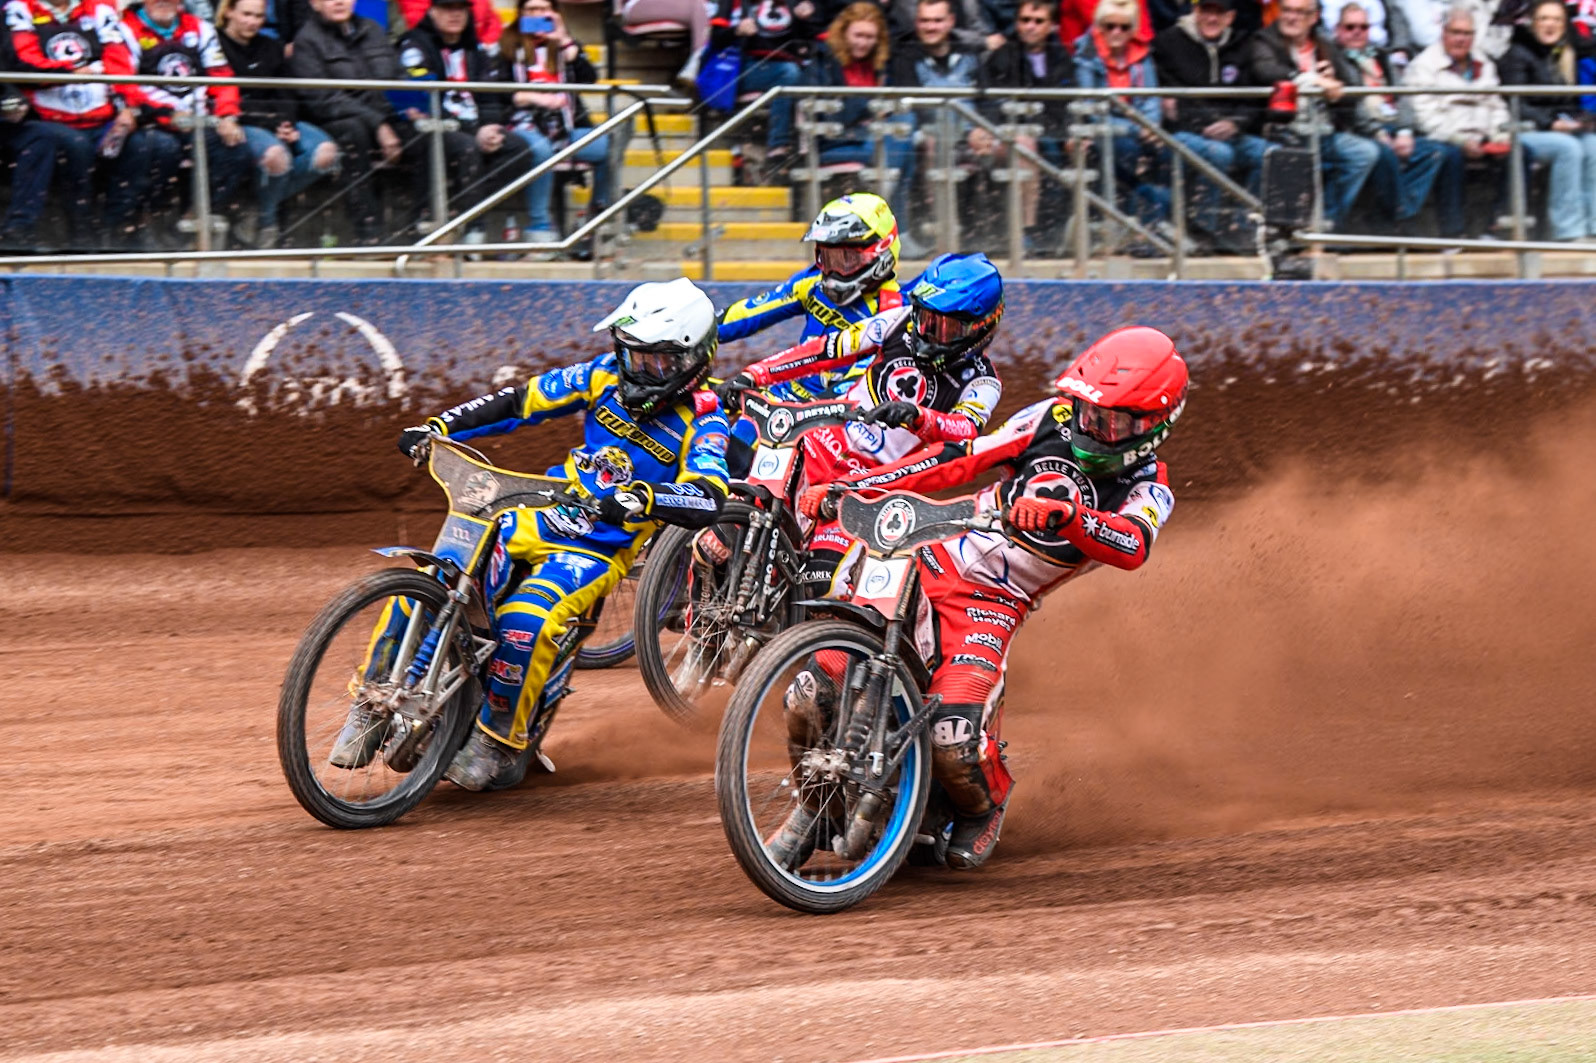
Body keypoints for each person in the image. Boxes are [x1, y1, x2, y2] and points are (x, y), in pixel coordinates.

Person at [787, 324, 1187, 870]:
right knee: (814, 685)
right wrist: (860, 487)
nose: (1091, 426)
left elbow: (1133, 544)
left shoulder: (1151, 486)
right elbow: (963, 456)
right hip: (933, 548)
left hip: (996, 599)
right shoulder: (1049, 418)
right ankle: (817, 806)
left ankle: (984, 806)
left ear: (1154, 426)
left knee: (952, 737)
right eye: (1088, 410)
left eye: (1111, 420)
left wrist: (1071, 517)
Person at [345, 278, 733, 791]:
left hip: (598, 547)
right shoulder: (601, 375)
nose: (639, 368)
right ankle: (370, 700)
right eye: (632, 354)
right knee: (433, 582)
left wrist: (644, 498)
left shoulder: (706, 421)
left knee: (525, 622)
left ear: (691, 360)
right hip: (536, 510)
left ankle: (496, 742)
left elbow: (708, 493)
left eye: (655, 361)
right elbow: (519, 401)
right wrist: (440, 427)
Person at [714, 252, 1005, 600]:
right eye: (925, 318)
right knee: (718, 539)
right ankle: (689, 619)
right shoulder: (897, 322)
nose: (927, 332)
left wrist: (919, 418)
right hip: (814, 444)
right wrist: (755, 375)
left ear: (980, 328)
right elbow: (825, 350)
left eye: (944, 327)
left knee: (823, 588)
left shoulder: (984, 382)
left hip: (866, 484)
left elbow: (965, 429)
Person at [2, 0, 153, 248]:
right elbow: (22, 60)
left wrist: (128, 108)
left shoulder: (99, 9)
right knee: (75, 146)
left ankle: (117, 232)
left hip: (101, 116)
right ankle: (79, 233)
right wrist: (69, 73)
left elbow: (120, 65)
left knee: (139, 145)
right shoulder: (20, 8)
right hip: (46, 117)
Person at [396, 0, 534, 237]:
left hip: (472, 127)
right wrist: (473, 130)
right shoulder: (413, 46)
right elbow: (422, 98)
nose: (455, 15)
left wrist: (489, 126)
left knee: (519, 149)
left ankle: (459, 210)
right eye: (448, 9)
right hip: (428, 127)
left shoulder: (475, 48)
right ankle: (473, 228)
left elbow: (490, 95)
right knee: (467, 147)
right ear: (432, 12)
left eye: (461, 9)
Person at [121, 0, 255, 242]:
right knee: (162, 149)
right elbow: (125, 85)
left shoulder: (200, 28)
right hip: (149, 120)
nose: (164, 1)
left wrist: (227, 116)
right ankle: (145, 223)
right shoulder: (126, 29)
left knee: (236, 150)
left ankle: (191, 222)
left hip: (197, 118)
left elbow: (222, 78)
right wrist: (167, 115)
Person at [1243, 0, 1380, 230]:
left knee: (1364, 153)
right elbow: (1267, 71)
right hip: (1282, 131)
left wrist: (1334, 80)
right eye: (1287, 10)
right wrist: (1313, 80)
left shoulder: (1324, 44)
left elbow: (1351, 89)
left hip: (1324, 131)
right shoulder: (1264, 40)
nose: (1291, 17)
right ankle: (1283, 229)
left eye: (1299, 12)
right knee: (1286, 156)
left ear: (1314, 17)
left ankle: (1326, 222)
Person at [215, 0, 340, 247]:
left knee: (327, 153)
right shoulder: (214, 45)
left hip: (277, 120)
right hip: (239, 120)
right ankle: (267, 222)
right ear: (229, 11)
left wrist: (286, 124)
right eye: (246, 14)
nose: (252, 22)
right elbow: (227, 99)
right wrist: (272, 123)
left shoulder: (272, 47)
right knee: (276, 156)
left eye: (259, 16)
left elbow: (287, 93)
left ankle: (256, 206)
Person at [1336, 0, 1463, 234]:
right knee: (1383, 154)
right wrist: (1378, 133)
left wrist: (1405, 131)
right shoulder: (1337, 60)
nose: (1357, 32)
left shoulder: (1382, 57)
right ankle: (1401, 218)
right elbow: (1351, 105)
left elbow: (1403, 95)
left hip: (1395, 125)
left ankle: (1443, 229)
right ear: (1338, 30)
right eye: (1350, 27)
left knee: (1442, 152)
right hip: (1365, 131)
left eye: (1363, 27)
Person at [1153, 0, 1275, 241]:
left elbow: (1254, 98)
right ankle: (1203, 230)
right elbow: (1171, 100)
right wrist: (1205, 125)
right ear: (1195, 11)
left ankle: (1245, 227)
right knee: (1218, 153)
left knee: (1272, 154)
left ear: (1230, 17)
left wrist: (1235, 123)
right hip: (1182, 134)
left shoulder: (1244, 44)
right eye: (1206, 11)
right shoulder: (1168, 42)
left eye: (1219, 13)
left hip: (1233, 133)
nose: (1212, 19)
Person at [799, 2, 918, 246]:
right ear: (844, 33)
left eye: (870, 37)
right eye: (858, 35)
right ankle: (894, 226)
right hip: (834, 140)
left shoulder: (880, 65)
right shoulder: (824, 60)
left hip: (872, 136)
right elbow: (831, 115)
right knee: (902, 148)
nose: (863, 43)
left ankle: (885, 219)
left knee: (906, 133)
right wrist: (870, 105)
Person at [288, 0, 405, 244]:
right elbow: (323, 100)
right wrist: (378, 123)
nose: (340, 2)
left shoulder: (372, 29)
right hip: (336, 120)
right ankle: (369, 235)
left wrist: (410, 108)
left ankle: (427, 230)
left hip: (386, 116)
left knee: (434, 136)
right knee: (353, 132)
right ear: (315, 4)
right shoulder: (306, 40)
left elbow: (398, 77)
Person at [497, 0, 610, 248]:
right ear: (520, 13)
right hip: (521, 126)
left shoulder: (563, 45)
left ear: (555, 14)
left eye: (543, 9)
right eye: (531, 10)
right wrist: (530, 97)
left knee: (607, 146)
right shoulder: (506, 44)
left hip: (563, 127)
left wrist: (564, 41)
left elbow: (588, 79)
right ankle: (539, 226)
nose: (537, 15)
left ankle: (595, 219)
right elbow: (498, 91)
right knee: (542, 151)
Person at [1403, 5, 1517, 233]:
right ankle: (1453, 233)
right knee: (1450, 156)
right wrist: (1460, 140)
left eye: (1467, 34)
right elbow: (1426, 117)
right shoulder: (1423, 66)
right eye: (1455, 32)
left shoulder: (1484, 64)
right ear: (1443, 32)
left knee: (1521, 151)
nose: (1461, 39)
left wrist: (1499, 134)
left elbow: (1496, 106)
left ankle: (1498, 225)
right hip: (1447, 137)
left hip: (1484, 136)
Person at [975, 0, 1076, 249]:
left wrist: (1072, 134)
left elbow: (1069, 103)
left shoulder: (1061, 57)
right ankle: (1026, 232)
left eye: (1038, 21)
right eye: (1025, 20)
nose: (1031, 26)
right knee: (1025, 146)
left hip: (1053, 135)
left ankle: (1077, 228)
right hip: (1011, 136)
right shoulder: (1002, 56)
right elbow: (990, 104)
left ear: (1051, 26)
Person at [1497, 0, 1596, 240]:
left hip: (1559, 127)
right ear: (1533, 23)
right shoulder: (1517, 54)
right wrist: (1550, 123)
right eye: (1544, 18)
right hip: (1525, 129)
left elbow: (1567, 103)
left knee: (1593, 146)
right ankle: (1568, 231)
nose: (1550, 24)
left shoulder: (1565, 55)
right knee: (1569, 149)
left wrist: (1580, 120)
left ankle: (1593, 227)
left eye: (1557, 19)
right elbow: (1516, 104)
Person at [893, 0, 987, 251]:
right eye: (925, 21)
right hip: (929, 133)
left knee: (1013, 145)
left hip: (974, 132)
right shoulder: (905, 55)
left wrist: (983, 128)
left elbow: (988, 99)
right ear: (916, 23)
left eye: (937, 20)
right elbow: (911, 107)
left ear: (951, 21)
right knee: (934, 143)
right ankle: (940, 230)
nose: (930, 27)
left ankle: (1016, 234)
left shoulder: (970, 52)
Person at [1074, 0, 1167, 223]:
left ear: (1132, 30)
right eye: (1110, 26)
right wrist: (1137, 130)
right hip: (1101, 132)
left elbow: (1151, 98)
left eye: (1124, 27)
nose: (1117, 32)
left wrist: (1150, 127)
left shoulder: (1142, 56)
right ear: (1100, 27)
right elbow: (1092, 108)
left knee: (1171, 153)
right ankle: (1133, 222)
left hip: (1140, 131)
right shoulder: (1086, 55)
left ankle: (1164, 224)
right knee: (1127, 150)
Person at [709, 0, 824, 179]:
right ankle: (778, 147)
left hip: (788, 69)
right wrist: (737, 31)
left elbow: (811, 42)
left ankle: (813, 151)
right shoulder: (733, 3)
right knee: (789, 74)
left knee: (806, 75)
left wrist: (804, 19)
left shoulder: (794, 3)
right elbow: (715, 39)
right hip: (743, 69)